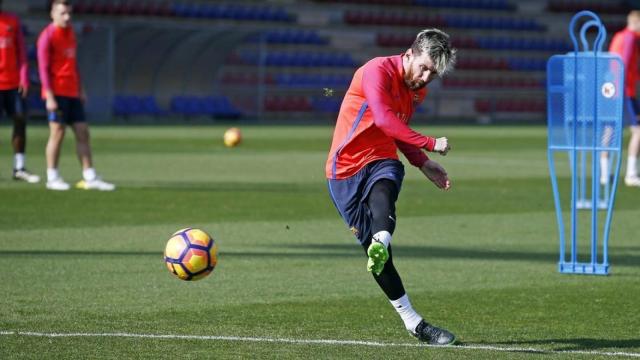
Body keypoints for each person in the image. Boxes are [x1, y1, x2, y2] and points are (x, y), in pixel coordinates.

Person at [325, 29, 456, 345]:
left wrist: (422, 162)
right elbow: (384, 119)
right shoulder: (377, 70)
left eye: (433, 74)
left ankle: (414, 323)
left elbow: (396, 131)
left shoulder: (416, 91)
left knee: (386, 182)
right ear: (409, 53)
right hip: (344, 170)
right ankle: (381, 247)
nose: (425, 77)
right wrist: (429, 144)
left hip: (380, 158)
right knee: (380, 258)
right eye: (423, 67)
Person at [37, 0, 114, 191]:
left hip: (72, 92)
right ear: (52, 14)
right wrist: (49, 95)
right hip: (57, 92)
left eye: (69, 13)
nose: (67, 17)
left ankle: (90, 177)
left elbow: (72, 64)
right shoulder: (47, 36)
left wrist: (81, 88)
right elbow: (43, 69)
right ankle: (52, 177)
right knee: (57, 133)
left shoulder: (70, 34)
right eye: (62, 13)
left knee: (82, 132)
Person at [0, 0, 40, 183]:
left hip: (12, 83)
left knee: (20, 119)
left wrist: (24, 77)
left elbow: (22, 53)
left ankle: (19, 167)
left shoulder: (12, 21)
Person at [603, 10, 640, 187]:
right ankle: (631, 174)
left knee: (609, 128)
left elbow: (613, 62)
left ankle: (603, 174)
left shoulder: (618, 36)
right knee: (638, 131)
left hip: (611, 88)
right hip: (624, 91)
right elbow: (623, 64)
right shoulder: (631, 38)